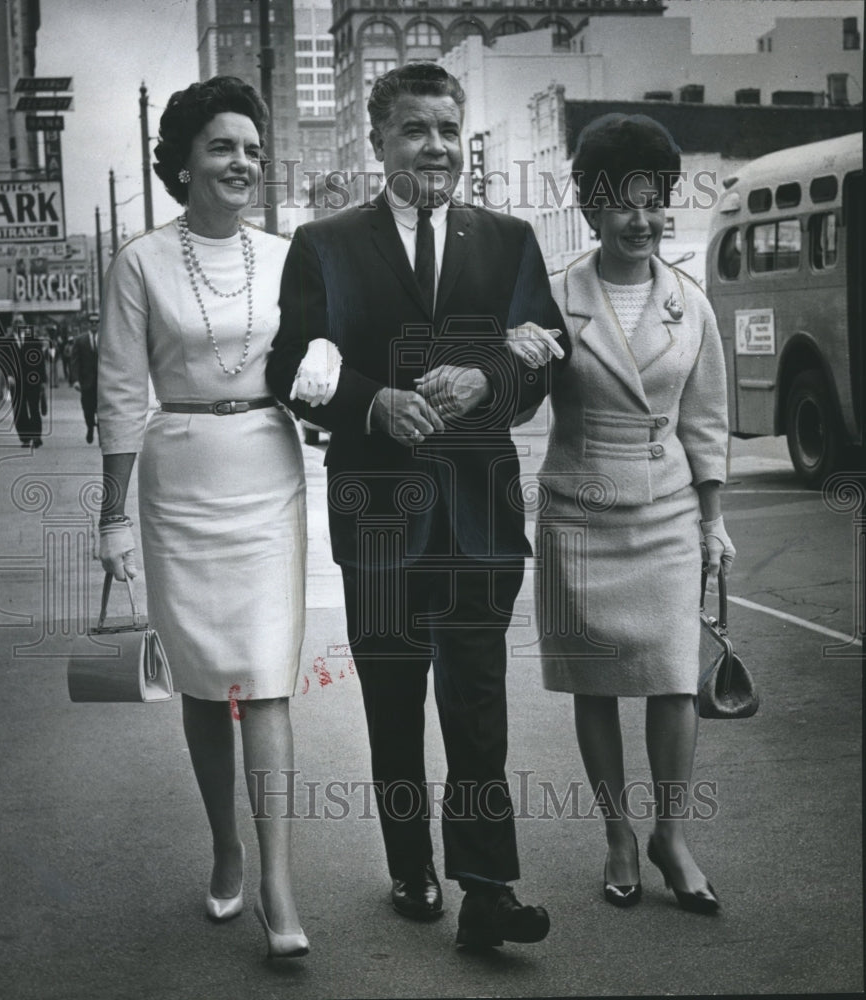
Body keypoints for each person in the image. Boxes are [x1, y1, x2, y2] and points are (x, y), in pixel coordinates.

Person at [267, 62, 566, 949]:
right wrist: (372, 404)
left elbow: (544, 361)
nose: (434, 146)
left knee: (476, 704)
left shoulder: (508, 241)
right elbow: (290, 367)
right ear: (378, 141)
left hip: (479, 516)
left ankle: (488, 889)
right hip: (379, 514)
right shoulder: (324, 245)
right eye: (414, 129)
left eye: (447, 129)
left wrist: (486, 378)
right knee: (394, 701)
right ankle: (410, 864)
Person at [96, 76, 320, 959]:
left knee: (265, 675)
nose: (242, 163)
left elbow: (316, 351)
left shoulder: (288, 254)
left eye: (253, 150)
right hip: (179, 476)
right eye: (223, 146)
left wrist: (326, 365)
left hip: (266, 466)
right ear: (183, 161)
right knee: (201, 680)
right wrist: (111, 520)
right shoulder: (140, 262)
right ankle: (225, 846)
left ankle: (277, 882)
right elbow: (121, 395)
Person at [507, 113, 735, 915]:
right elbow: (519, 402)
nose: (641, 219)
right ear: (592, 208)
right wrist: (515, 355)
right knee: (594, 683)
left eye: (654, 201)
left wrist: (713, 521)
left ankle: (672, 835)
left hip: (667, 514)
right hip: (579, 513)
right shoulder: (553, 297)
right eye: (622, 203)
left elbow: (705, 422)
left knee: (674, 679)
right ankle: (617, 835)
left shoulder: (690, 303)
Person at [2, 315, 45, 448]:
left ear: (25, 324)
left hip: (33, 381)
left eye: (20, 321)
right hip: (15, 381)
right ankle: (25, 438)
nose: (18, 324)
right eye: (16, 322)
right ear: (12, 324)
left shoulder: (34, 341)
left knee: (34, 408)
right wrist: (8, 376)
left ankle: (36, 436)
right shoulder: (7, 341)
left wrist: (43, 380)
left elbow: (41, 362)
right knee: (19, 410)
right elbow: (3, 360)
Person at [71, 313, 100, 443]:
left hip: (102, 383)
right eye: (91, 322)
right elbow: (75, 362)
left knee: (102, 410)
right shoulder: (80, 340)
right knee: (88, 409)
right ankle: (90, 427)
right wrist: (75, 380)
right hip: (86, 382)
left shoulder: (105, 339)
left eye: (96, 322)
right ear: (88, 324)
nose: (94, 324)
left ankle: (101, 432)